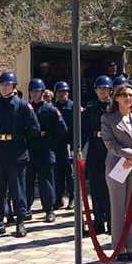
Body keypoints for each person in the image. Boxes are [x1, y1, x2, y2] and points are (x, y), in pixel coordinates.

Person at [0, 72, 41, 237]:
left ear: (14, 87)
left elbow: (34, 129)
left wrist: (21, 138)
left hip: (16, 151)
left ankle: (20, 221)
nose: (5, 87)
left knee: (17, 189)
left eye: (8, 84)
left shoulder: (23, 106)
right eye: (2, 84)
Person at [101, 82, 132, 261]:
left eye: (131, 95)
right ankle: (119, 245)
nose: (128, 98)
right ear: (116, 98)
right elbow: (110, 143)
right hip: (117, 165)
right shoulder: (108, 118)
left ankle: (131, 244)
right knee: (118, 206)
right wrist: (130, 155)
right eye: (124, 95)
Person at [26, 79, 67, 223]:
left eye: (37, 91)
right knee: (28, 181)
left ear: (42, 92)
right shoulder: (27, 108)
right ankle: (26, 209)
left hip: (45, 150)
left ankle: (49, 209)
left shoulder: (51, 110)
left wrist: (48, 137)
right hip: (30, 149)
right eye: (32, 91)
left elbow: (62, 130)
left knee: (46, 181)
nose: (34, 94)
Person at [82, 76, 113, 235]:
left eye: (105, 88)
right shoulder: (90, 108)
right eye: (100, 88)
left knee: (110, 189)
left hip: (111, 149)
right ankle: (98, 222)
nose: (102, 91)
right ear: (95, 90)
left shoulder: (115, 107)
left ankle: (112, 222)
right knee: (95, 188)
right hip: (95, 147)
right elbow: (83, 130)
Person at [53, 81, 75, 210]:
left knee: (71, 174)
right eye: (59, 92)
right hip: (58, 144)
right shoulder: (54, 108)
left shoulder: (73, 107)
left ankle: (72, 198)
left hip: (70, 143)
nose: (62, 94)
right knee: (58, 173)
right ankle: (58, 198)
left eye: (64, 91)